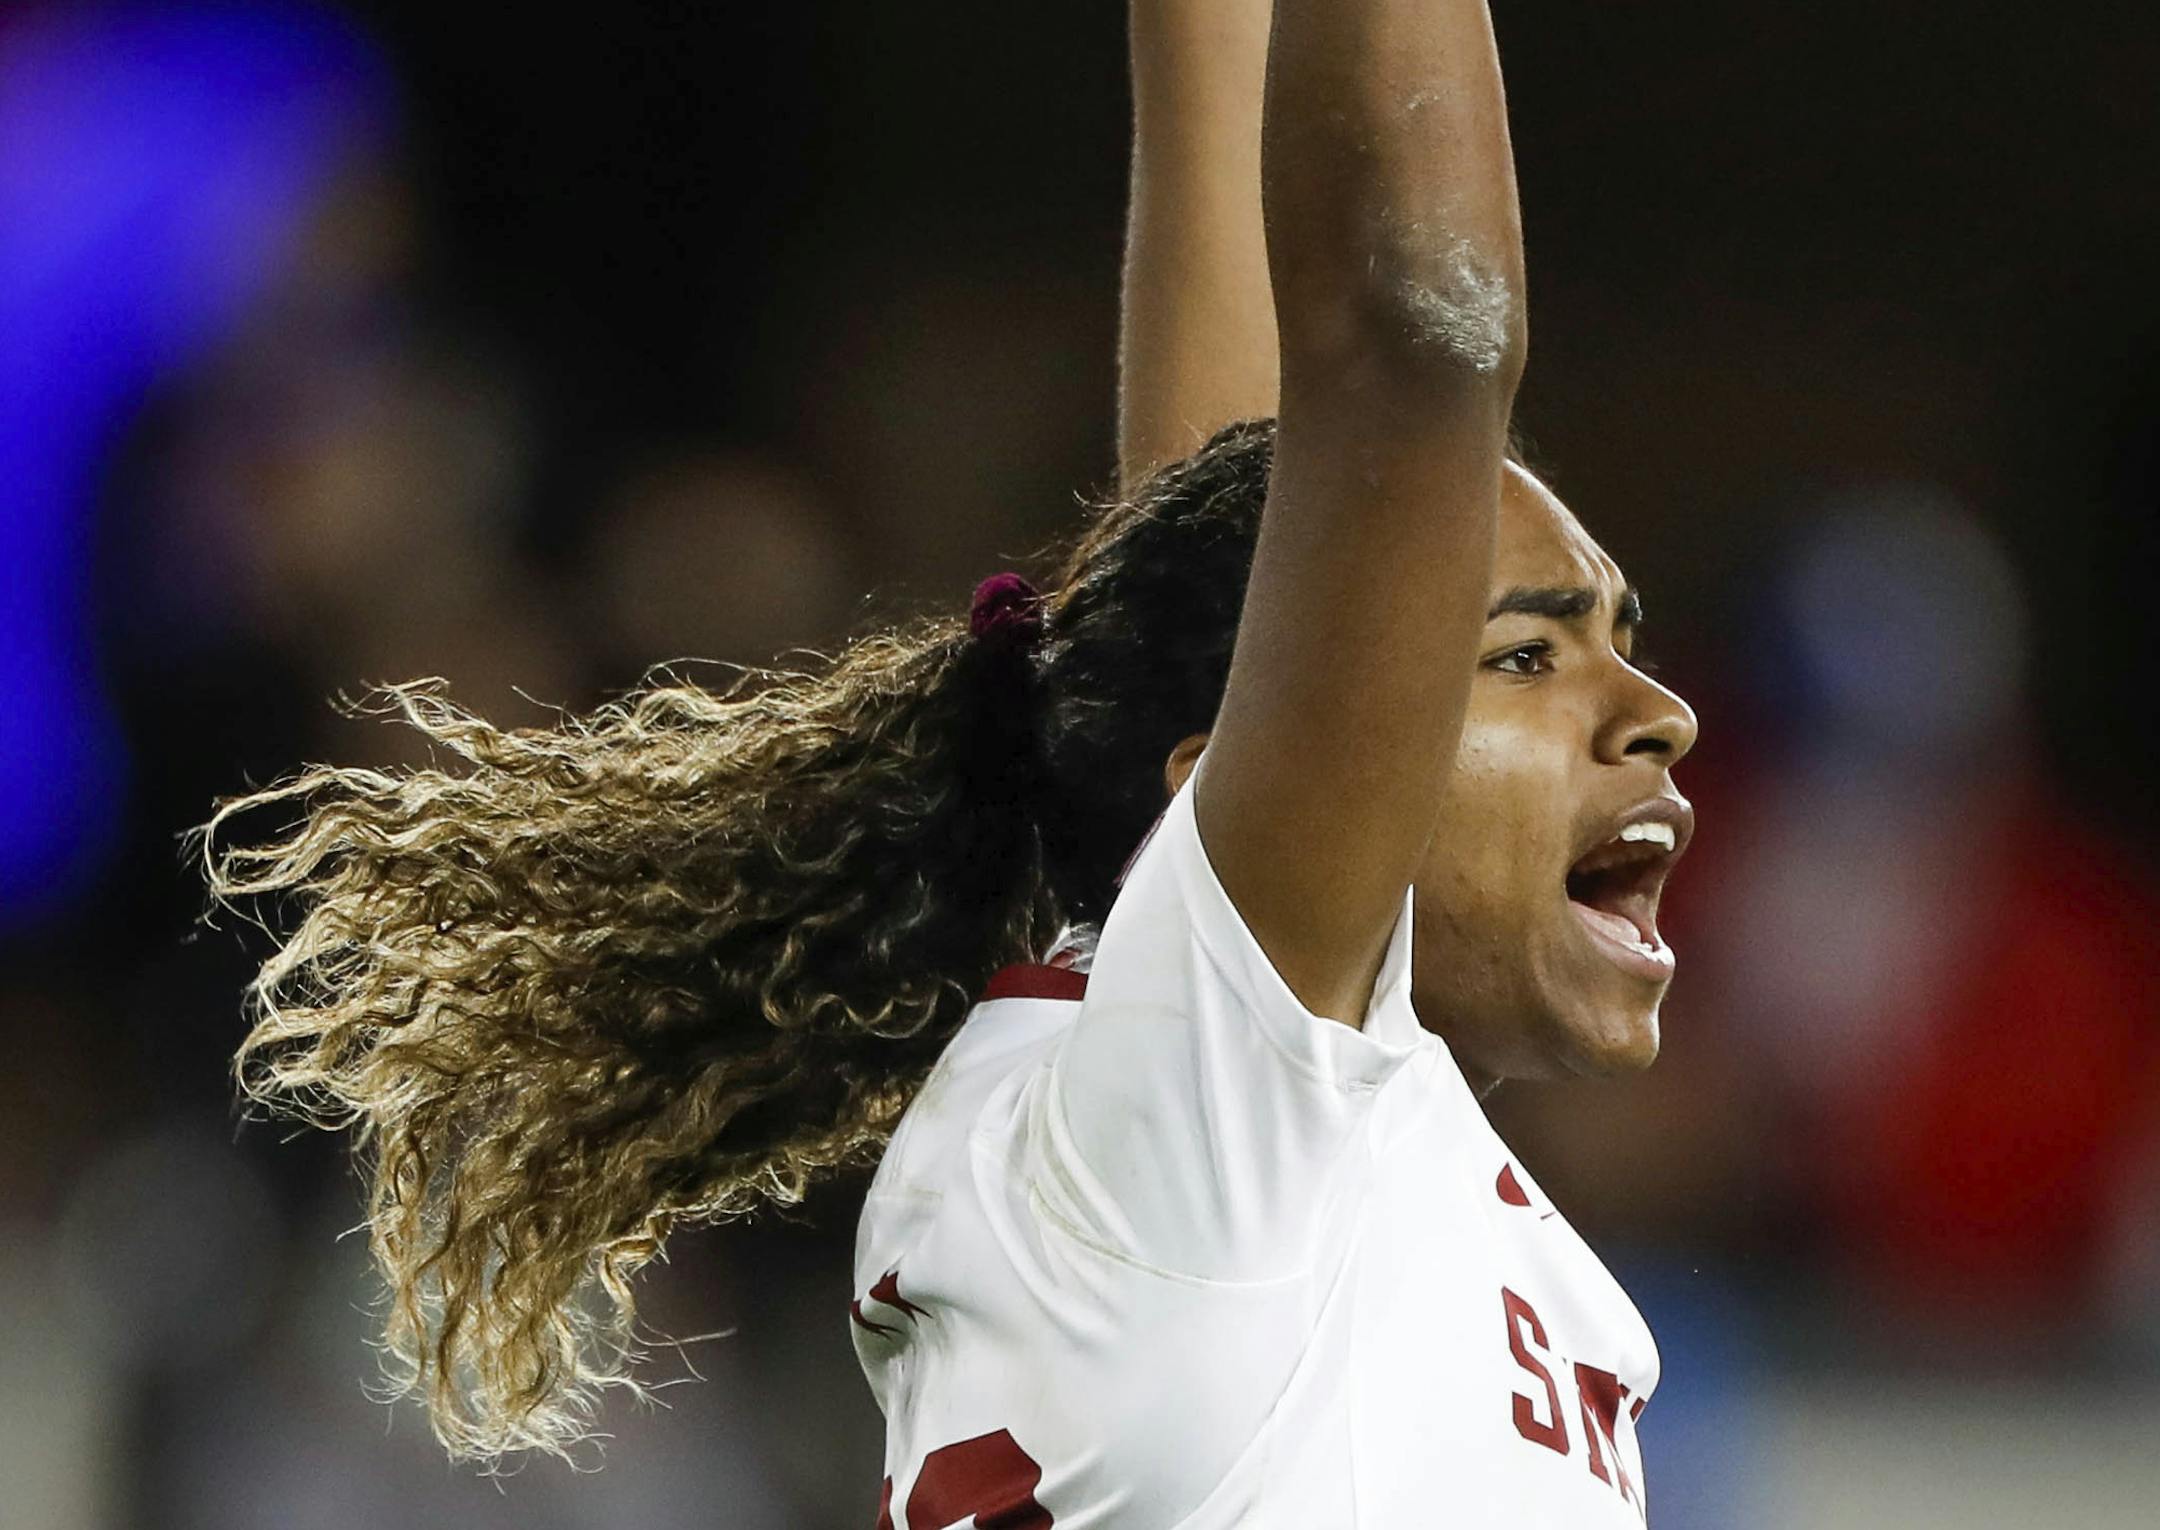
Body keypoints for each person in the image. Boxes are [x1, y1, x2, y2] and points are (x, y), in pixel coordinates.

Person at [201, 0, 1698, 1523]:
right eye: (1526, 651)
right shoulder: (1208, 1119)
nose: (1655, 708)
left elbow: (1215, 532)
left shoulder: (1202, 1122)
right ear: (1218, 788)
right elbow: (1407, 338)